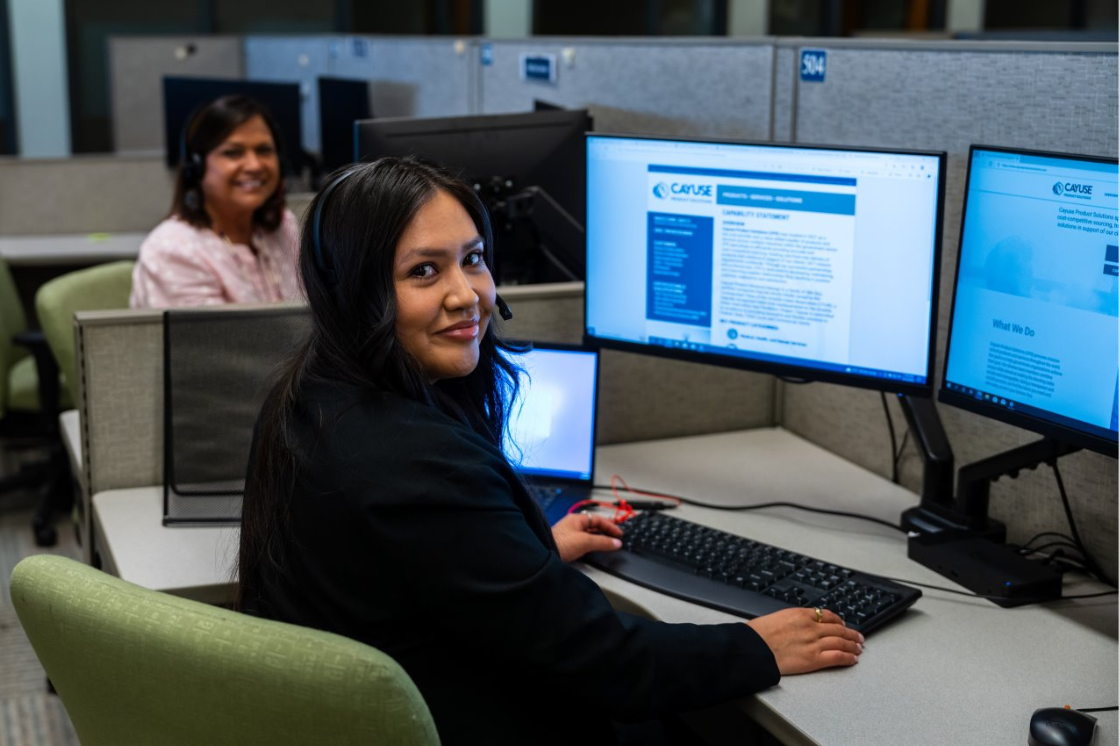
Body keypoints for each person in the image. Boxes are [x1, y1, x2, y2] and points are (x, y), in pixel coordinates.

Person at [238, 157, 863, 746]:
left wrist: (522, 556)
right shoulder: (412, 462)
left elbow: (411, 569)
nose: (467, 295)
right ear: (356, 293)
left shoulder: (309, 395)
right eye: (423, 271)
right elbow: (611, 669)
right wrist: (756, 646)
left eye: (473, 259)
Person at [130, 95, 301, 308]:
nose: (254, 165)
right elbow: (208, 341)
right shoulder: (174, 251)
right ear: (197, 166)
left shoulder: (283, 225)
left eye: (264, 150)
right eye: (233, 153)